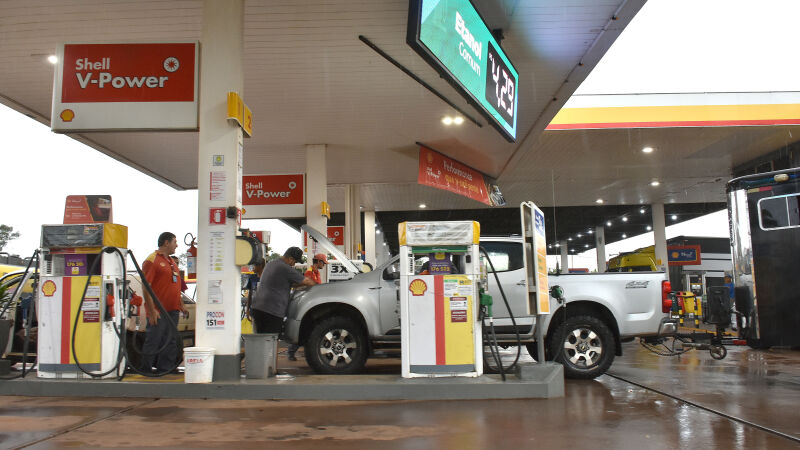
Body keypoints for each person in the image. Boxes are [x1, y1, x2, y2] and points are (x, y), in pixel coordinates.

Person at [141, 232, 187, 374]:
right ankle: (146, 369)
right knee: (154, 339)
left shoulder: (172, 262)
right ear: (166, 243)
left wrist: (181, 305)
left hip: (172, 310)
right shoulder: (152, 260)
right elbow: (145, 286)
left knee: (171, 340)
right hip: (158, 310)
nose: (177, 245)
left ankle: (165, 368)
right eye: (175, 242)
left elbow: (176, 286)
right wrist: (152, 309)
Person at [250, 247, 316, 334]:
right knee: (272, 339)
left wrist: (299, 284)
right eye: (295, 262)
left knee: (261, 339)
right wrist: (317, 286)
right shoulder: (285, 268)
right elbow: (308, 282)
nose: (293, 265)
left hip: (258, 308)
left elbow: (284, 283)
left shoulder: (271, 263)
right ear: (290, 259)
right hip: (271, 311)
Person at [285, 253, 328, 360]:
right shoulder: (309, 273)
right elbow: (307, 287)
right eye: (323, 262)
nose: (324, 265)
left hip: (315, 304)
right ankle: (291, 352)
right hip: (310, 305)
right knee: (306, 328)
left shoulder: (316, 273)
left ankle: (300, 351)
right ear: (318, 262)